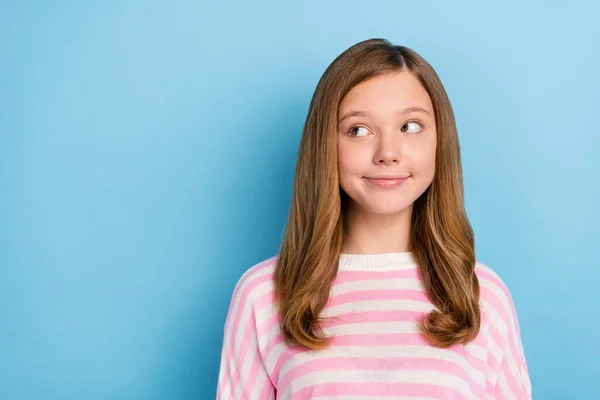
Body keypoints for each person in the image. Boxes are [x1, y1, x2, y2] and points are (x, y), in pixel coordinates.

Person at [216, 38, 531, 399]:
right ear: (325, 145)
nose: (388, 153)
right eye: (358, 130)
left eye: (410, 126)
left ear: (439, 141)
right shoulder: (263, 294)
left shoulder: (482, 294)